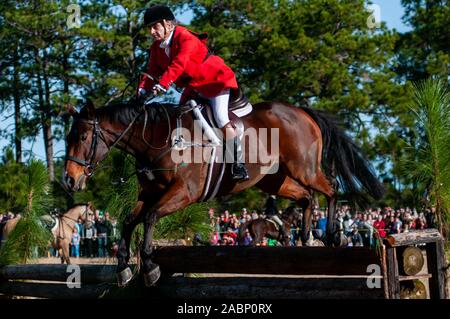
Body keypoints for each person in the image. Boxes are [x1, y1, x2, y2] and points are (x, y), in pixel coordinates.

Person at [138, 4, 249, 181]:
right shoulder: (156, 47)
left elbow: (179, 64)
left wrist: (162, 84)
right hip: (195, 86)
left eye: (154, 26)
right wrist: (142, 89)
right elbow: (152, 70)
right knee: (178, 118)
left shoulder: (185, 37)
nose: (151, 32)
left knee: (221, 117)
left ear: (168, 24)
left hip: (214, 80)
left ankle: (238, 163)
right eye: (149, 28)